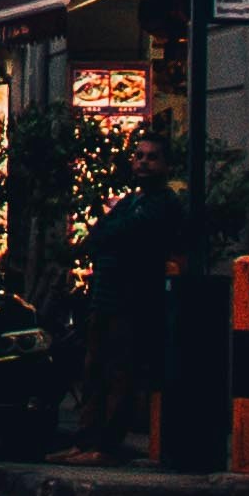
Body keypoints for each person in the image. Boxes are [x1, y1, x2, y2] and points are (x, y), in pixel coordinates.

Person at [71, 137, 180, 463]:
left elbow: (126, 236)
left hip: (133, 302)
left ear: (165, 165)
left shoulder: (164, 204)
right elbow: (99, 235)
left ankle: (105, 447)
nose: (144, 162)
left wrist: (113, 237)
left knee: (121, 374)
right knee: (93, 371)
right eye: (139, 156)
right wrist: (111, 236)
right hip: (105, 299)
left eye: (152, 157)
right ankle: (85, 442)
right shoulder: (129, 202)